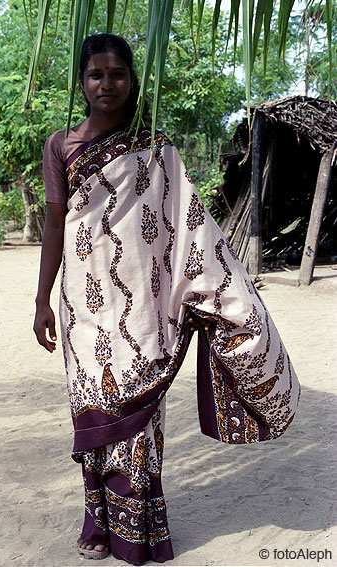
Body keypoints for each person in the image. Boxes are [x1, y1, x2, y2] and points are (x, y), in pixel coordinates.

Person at [33, 33, 300, 565]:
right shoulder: (61, 144)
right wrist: (41, 300)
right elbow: (55, 227)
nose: (106, 83)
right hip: (81, 308)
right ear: (81, 81)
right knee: (92, 408)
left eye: (117, 74)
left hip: (143, 309)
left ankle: (138, 527)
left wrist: (215, 296)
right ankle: (96, 517)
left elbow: (188, 229)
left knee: (136, 412)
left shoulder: (156, 147)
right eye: (95, 74)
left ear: (133, 80)